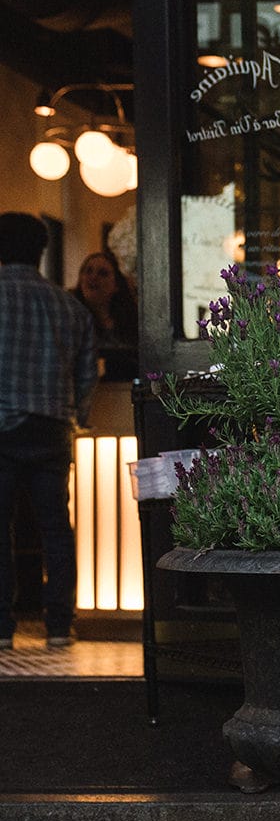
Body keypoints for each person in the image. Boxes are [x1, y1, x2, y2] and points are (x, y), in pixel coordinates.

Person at [0, 213, 97, 650]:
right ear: (41, 252)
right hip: (52, 428)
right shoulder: (69, 306)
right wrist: (76, 415)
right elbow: (86, 378)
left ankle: (2, 629)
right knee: (56, 528)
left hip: (2, 427)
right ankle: (59, 626)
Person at [71, 250, 139, 380]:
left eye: (103, 273)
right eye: (88, 271)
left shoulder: (131, 322)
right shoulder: (72, 320)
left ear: (116, 285)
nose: (93, 277)